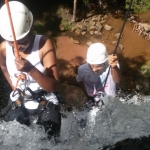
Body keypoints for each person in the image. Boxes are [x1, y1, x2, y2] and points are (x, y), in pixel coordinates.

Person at [0, 1, 61, 139]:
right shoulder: (3, 48)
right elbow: (3, 67)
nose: (18, 46)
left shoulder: (44, 44)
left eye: (23, 39)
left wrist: (31, 69)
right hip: (19, 100)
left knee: (51, 140)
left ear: (32, 28)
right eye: (13, 42)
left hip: (45, 99)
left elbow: (54, 86)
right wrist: (15, 87)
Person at [76, 43, 121, 107]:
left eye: (98, 66)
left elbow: (117, 80)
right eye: (91, 65)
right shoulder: (82, 69)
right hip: (92, 98)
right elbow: (80, 81)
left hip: (110, 100)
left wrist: (114, 67)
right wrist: (88, 97)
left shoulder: (112, 65)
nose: (94, 69)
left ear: (104, 62)